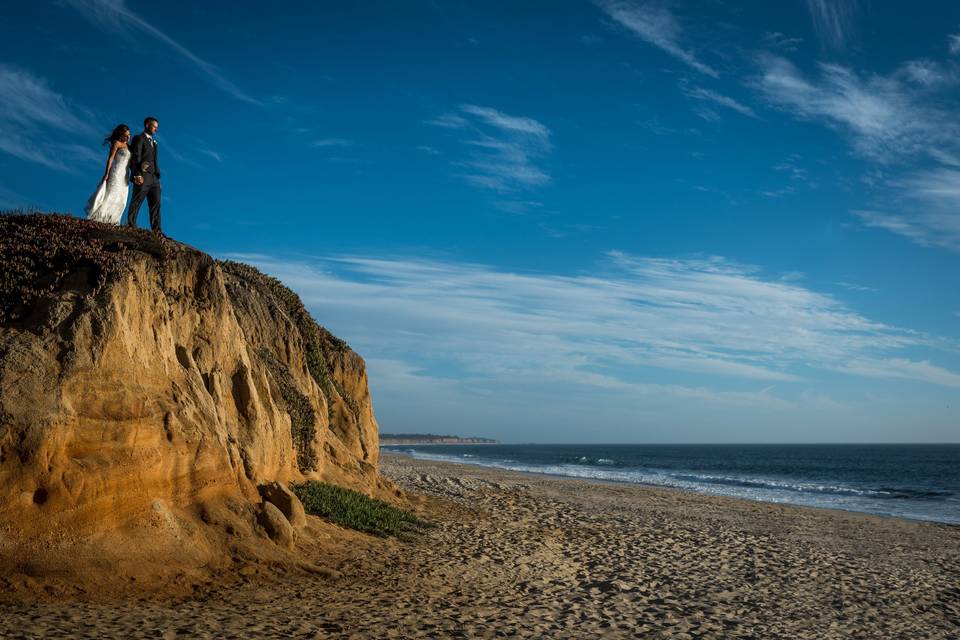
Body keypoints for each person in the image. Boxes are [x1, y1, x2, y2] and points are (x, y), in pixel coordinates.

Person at [84, 124, 131, 225]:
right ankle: (101, 218)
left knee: (122, 197)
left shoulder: (130, 147)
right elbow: (110, 159)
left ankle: (113, 220)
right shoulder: (117, 143)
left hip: (126, 174)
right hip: (117, 171)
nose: (128, 137)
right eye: (126, 135)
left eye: (129, 135)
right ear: (121, 135)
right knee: (111, 193)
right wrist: (106, 173)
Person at [127, 116, 164, 236]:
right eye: (154, 126)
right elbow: (136, 157)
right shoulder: (139, 138)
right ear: (147, 125)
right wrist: (137, 174)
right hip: (143, 175)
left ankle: (157, 231)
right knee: (137, 200)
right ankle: (131, 225)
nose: (156, 129)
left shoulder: (154, 143)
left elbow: (153, 160)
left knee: (156, 204)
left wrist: (157, 178)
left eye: (157, 128)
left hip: (154, 178)